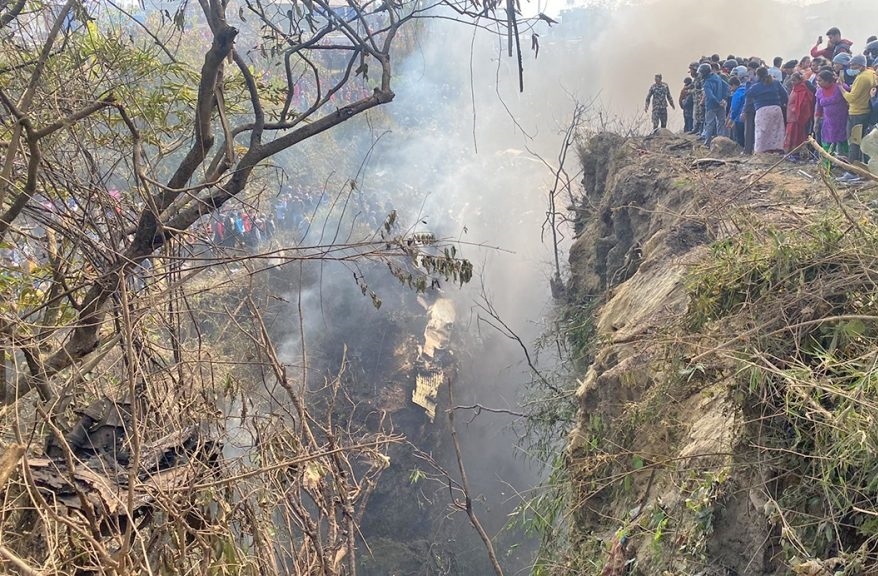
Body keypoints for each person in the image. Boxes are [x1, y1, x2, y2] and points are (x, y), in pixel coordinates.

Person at [837, 54, 878, 178]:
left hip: (857, 113)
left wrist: (841, 88)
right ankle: (863, 171)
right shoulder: (870, 74)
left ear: (860, 65)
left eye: (853, 65)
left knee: (853, 143)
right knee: (862, 144)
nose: (851, 67)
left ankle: (851, 172)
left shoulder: (862, 78)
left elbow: (852, 98)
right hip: (865, 112)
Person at [746, 67, 788, 154]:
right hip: (776, 109)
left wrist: (749, 82)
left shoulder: (755, 86)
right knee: (776, 131)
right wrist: (781, 103)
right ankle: (777, 149)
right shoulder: (776, 82)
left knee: (762, 132)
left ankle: (762, 152)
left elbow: (748, 95)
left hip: (762, 111)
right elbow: (785, 95)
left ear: (757, 75)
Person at [814, 69, 849, 164]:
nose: (818, 82)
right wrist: (816, 122)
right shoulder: (819, 92)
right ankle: (827, 167)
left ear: (828, 80)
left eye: (820, 80)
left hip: (842, 121)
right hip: (828, 123)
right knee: (827, 144)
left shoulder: (841, 88)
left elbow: (851, 97)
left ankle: (847, 166)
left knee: (844, 143)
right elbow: (818, 109)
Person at [784, 73, 815, 156]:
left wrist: (795, 110)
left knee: (797, 135)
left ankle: (796, 153)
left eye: (794, 80)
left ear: (799, 80)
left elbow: (804, 104)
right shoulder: (795, 88)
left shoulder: (802, 89)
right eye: (791, 80)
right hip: (791, 116)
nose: (792, 82)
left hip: (797, 117)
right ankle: (790, 153)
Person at [700, 63, 729, 146]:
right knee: (721, 123)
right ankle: (721, 142)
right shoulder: (717, 77)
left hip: (711, 106)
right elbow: (726, 86)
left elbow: (710, 96)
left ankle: (707, 143)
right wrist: (723, 99)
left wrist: (718, 102)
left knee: (709, 124)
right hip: (721, 105)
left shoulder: (706, 83)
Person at [727, 75, 747, 147]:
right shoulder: (746, 89)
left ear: (734, 85)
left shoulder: (737, 93)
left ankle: (740, 151)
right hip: (749, 117)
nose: (730, 89)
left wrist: (731, 119)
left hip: (739, 118)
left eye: (731, 86)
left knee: (739, 138)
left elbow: (735, 108)